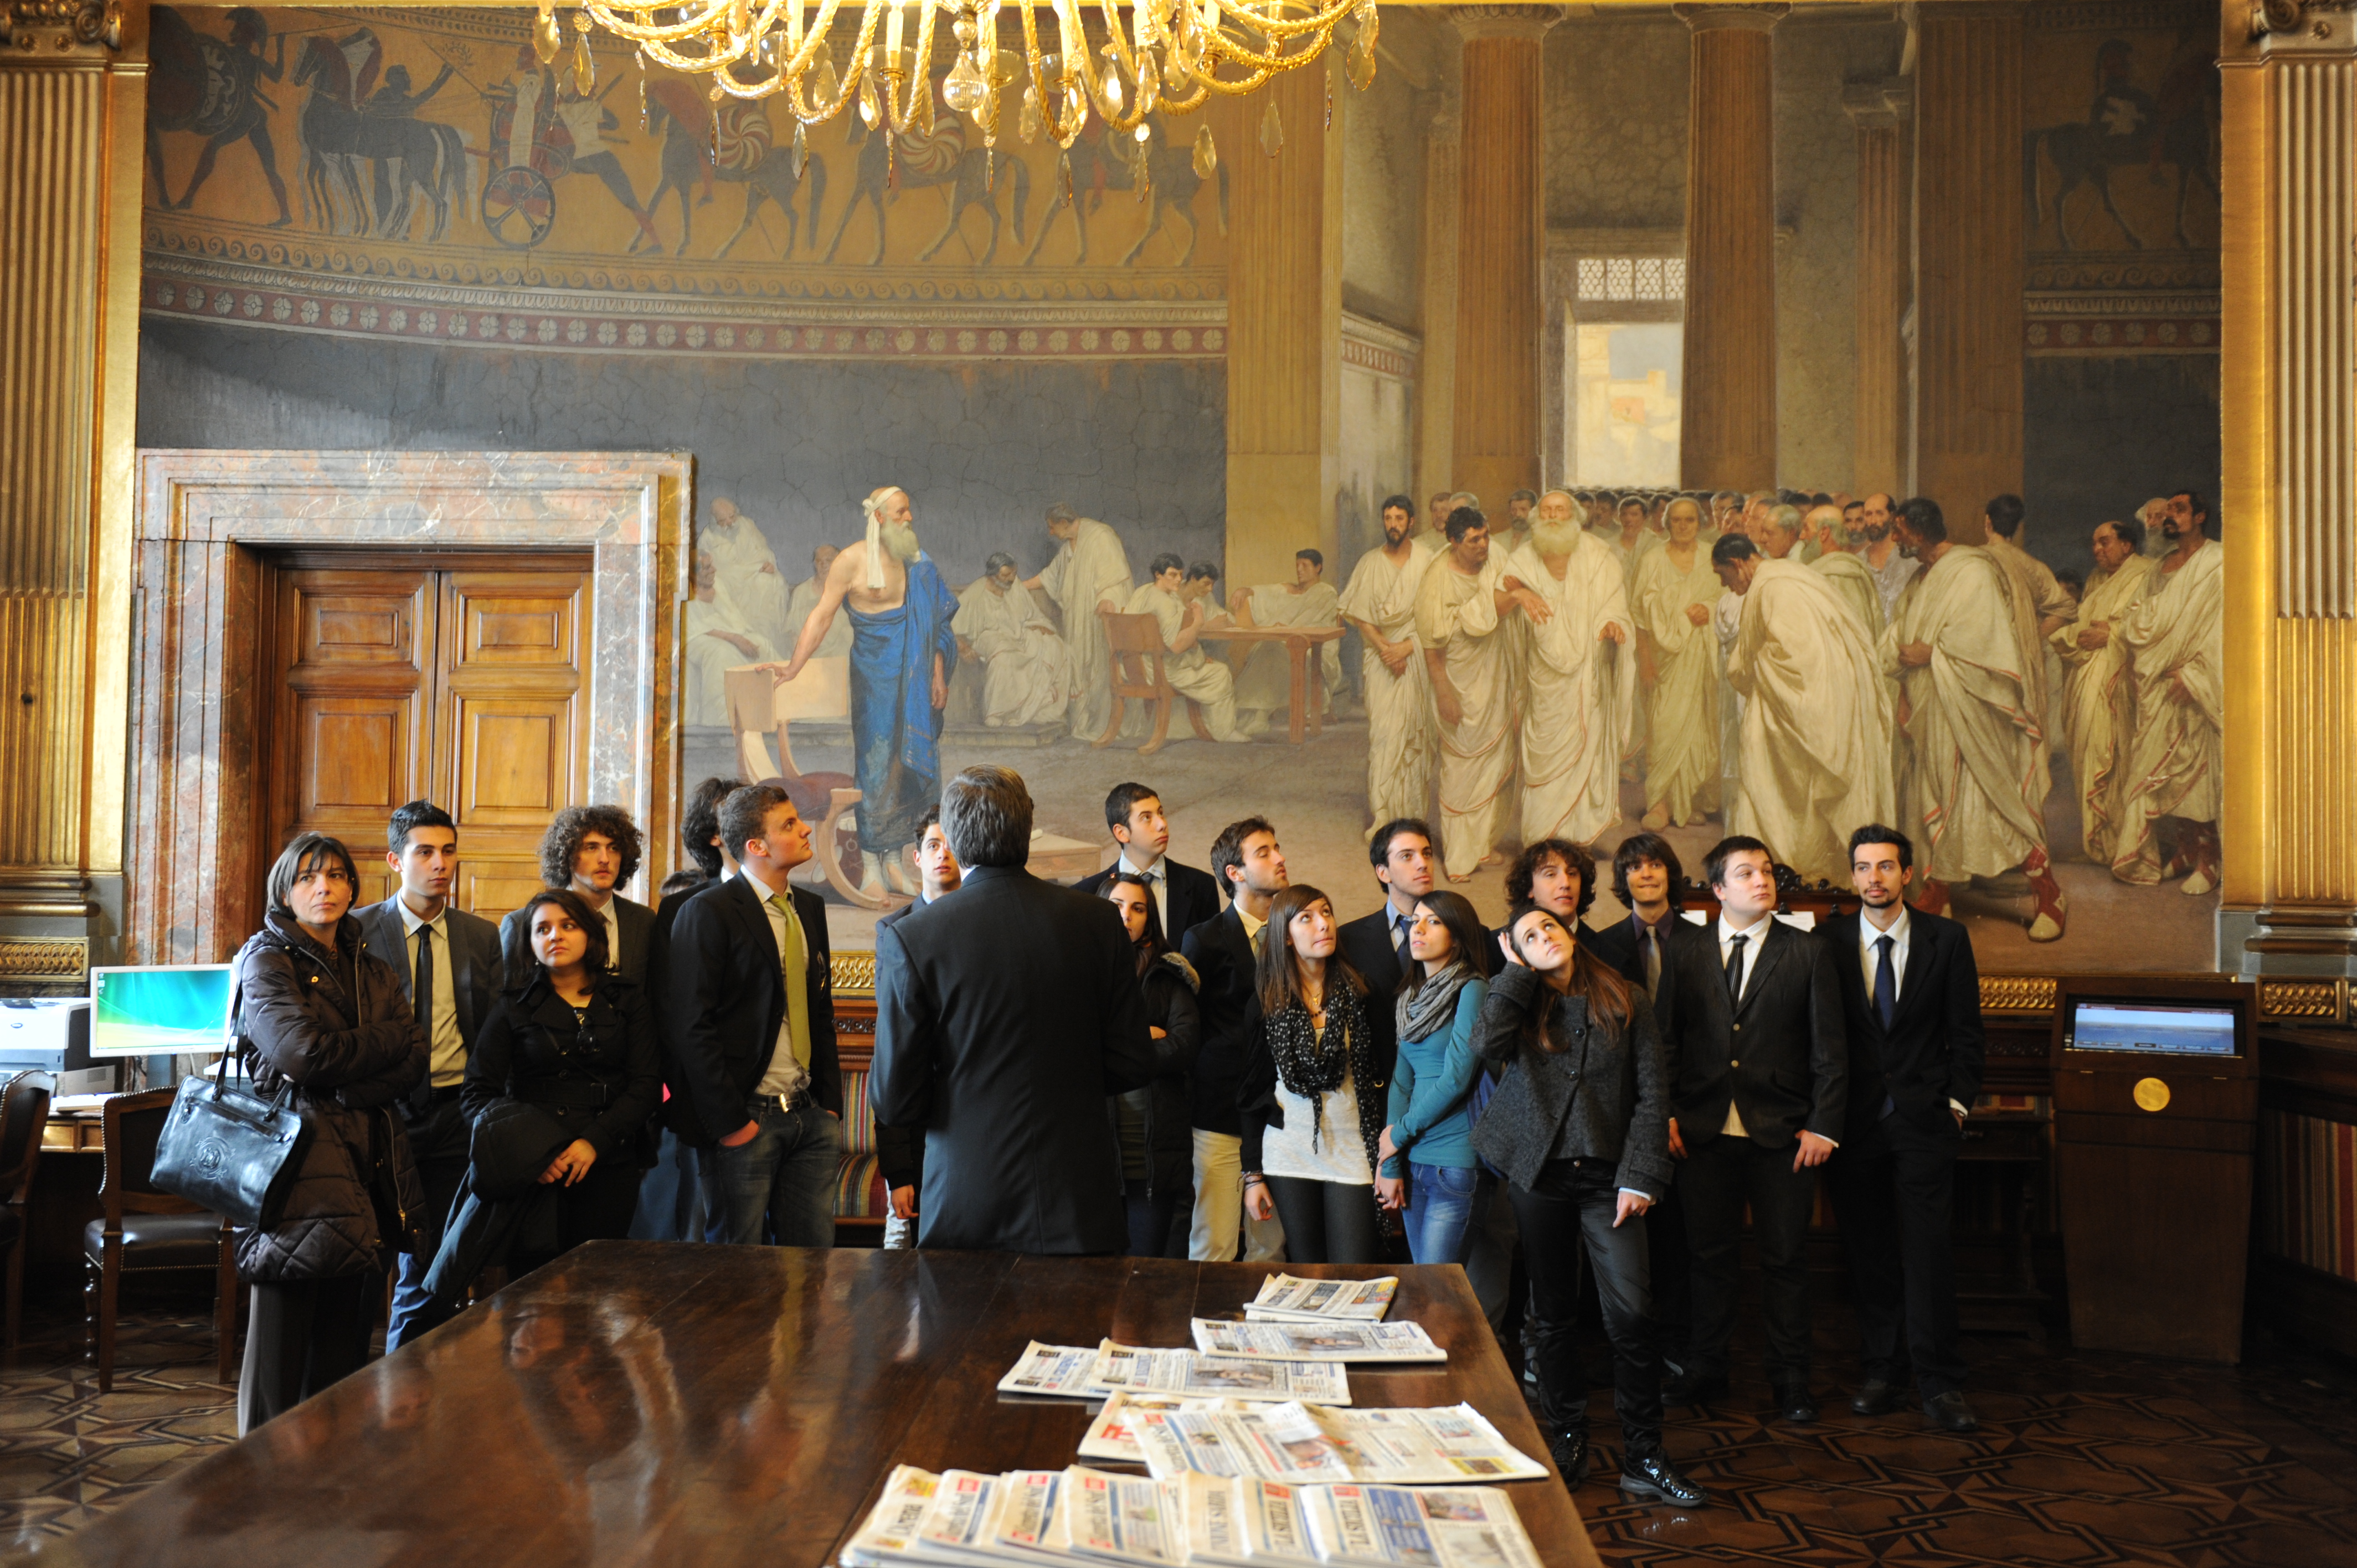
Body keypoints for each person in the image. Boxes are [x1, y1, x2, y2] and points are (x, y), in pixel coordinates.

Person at [1474, 903, 1704, 1508]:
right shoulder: (1519, 1000)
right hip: (1539, 1175)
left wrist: (1640, 1178)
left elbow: (1653, 1094)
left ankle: (1643, 1457)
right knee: (1549, 1316)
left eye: (1548, 926)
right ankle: (1567, 1437)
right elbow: (1486, 1045)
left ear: (1571, 932)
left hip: (1610, 1179)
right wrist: (1516, 973)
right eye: (1528, 934)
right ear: (1515, 950)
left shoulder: (1624, 996)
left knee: (1631, 1315)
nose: (1543, 936)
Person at [873, 765, 1157, 1253]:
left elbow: (896, 1098)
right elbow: (1133, 1060)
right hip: (1079, 1192)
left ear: (957, 841)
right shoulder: (1098, 921)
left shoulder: (915, 937)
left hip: (968, 1194)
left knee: (965, 1330)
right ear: (1028, 829)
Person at [232, 833, 426, 1433]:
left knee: (345, 1355)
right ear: (286, 890)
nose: (326, 888)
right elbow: (300, 1054)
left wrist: (348, 1085)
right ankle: (260, 1484)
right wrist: (378, 1050)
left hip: (369, 1166)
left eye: (338, 876)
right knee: (280, 1354)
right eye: (310, 877)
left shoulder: (371, 966)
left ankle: (329, 1488)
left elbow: (414, 1054)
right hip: (298, 1171)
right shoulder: (266, 959)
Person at [1654, 837, 1846, 1425]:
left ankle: (1790, 1380)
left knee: (1785, 1261)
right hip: (1701, 1131)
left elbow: (1829, 1050)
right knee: (1707, 1258)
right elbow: (1664, 1041)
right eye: (1745, 873)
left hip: (1783, 1135)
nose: (1760, 881)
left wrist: (1823, 1125)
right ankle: (1706, 1370)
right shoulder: (1685, 951)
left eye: (1765, 872)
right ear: (1717, 890)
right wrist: (1662, 1114)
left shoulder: (1806, 953)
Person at [1819, 827, 1984, 1433]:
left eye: (1884, 867)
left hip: (1922, 1122)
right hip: (1853, 1125)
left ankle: (1939, 1384)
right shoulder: (1828, 942)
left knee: (1926, 1254)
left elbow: (1965, 1032)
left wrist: (1958, 1104)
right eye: (1862, 868)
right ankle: (1882, 1373)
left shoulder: (1947, 939)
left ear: (1906, 874)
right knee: (1869, 1257)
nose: (1872, 879)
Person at [436, 888, 662, 1290]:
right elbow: (477, 1093)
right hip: (537, 1171)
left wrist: (595, 1141)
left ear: (590, 934)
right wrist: (531, 1153)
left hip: (609, 1161)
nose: (554, 936)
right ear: (529, 943)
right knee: (536, 1299)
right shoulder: (513, 1004)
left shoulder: (628, 998)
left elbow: (645, 1085)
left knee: (600, 1290)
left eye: (567, 926)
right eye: (542, 929)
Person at [353, 801, 503, 1350]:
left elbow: (491, 1031)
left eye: (448, 851)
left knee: (433, 1258)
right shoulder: (359, 931)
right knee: (367, 1256)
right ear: (396, 860)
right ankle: (344, 1394)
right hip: (382, 1114)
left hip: (455, 1115)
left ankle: (409, 1386)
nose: (440, 864)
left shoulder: (482, 936)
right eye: (425, 852)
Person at [667, 784, 843, 1248]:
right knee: (733, 1281)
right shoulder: (706, 912)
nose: (806, 828)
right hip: (746, 1122)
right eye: (789, 824)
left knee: (811, 1274)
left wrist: (829, 1107)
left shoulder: (809, 907)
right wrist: (732, 1124)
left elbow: (819, 1009)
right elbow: (691, 1026)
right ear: (756, 846)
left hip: (809, 1119)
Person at [1883, 498, 2067, 939]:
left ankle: (2049, 896)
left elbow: (1990, 644)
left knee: (1998, 802)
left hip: (1976, 712)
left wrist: (1933, 656)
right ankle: (1940, 893)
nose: (1895, 538)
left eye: (1900, 530)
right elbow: (1901, 633)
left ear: (1920, 530)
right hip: (1934, 710)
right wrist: (1904, 678)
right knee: (1944, 803)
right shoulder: (1920, 576)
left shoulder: (1971, 569)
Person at [773, 485, 960, 900]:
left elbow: (937, 628)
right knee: (876, 766)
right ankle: (872, 863)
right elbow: (821, 617)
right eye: (900, 512)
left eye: (909, 511)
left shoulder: (919, 563)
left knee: (906, 767)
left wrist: (938, 675)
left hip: (914, 681)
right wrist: (793, 667)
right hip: (873, 678)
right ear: (878, 518)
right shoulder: (850, 562)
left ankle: (895, 860)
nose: (909, 519)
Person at [1715, 532, 1896, 886]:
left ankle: (1786, 868)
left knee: (1774, 776)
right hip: (1832, 700)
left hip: (1811, 705)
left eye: (1725, 576)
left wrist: (1746, 667)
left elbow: (1796, 657)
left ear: (1738, 564)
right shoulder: (1793, 574)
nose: (1727, 586)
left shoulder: (1770, 587)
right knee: (1802, 787)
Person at [1238, 885, 1390, 1265]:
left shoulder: (1362, 992)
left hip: (1354, 1148)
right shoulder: (1265, 1001)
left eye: (1327, 913)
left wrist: (1391, 1159)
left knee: (1354, 1269)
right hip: (1288, 1150)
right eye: (1307, 918)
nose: (1324, 924)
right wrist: (1253, 1175)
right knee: (1310, 1269)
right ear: (1285, 937)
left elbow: (1386, 1077)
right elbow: (1252, 1093)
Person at [636, 775, 743, 1245]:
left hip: (775, 1099)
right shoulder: (680, 909)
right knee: (700, 1235)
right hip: (702, 1099)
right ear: (715, 835)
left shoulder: (795, 905)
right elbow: (671, 1008)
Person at [1181, 817, 1292, 1262]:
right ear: (1235, 873)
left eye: (1277, 847)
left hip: (1285, 1115)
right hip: (1220, 1114)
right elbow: (1191, 1031)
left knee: (1272, 1245)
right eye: (1264, 852)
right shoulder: (1204, 939)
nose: (1280, 858)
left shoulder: (1296, 931)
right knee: (1216, 1241)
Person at [1502, 491, 1635, 852]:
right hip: (1542, 681)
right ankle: (1541, 838)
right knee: (1541, 757)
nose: (1554, 517)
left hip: (1587, 675)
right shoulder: (1522, 559)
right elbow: (1500, 605)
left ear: (1575, 516)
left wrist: (1612, 624)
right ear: (1536, 518)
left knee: (1586, 749)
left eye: (1561, 510)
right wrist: (1518, 597)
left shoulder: (1598, 556)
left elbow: (1614, 603)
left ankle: (1577, 837)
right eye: (1547, 511)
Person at [2112, 488, 2223, 893]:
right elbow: (2134, 619)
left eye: (2180, 509)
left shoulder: (2218, 563)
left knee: (2195, 771)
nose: (2171, 517)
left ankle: (2210, 860)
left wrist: (2195, 676)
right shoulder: (2159, 567)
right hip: (2156, 683)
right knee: (2162, 775)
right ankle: (2185, 849)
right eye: (2168, 511)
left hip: (2194, 683)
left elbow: (2224, 630)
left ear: (2200, 516)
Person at [1376, 890, 1492, 1267]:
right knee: (1425, 1287)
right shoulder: (1409, 998)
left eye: (1434, 921)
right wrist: (1391, 1163)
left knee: (1438, 1288)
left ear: (1457, 937)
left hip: (1455, 1163)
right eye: (1416, 920)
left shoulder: (1473, 989)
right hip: (1414, 1163)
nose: (1418, 929)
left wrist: (1399, 1132)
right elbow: (1401, 1083)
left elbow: (1459, 1077)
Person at [873, 804, 961, 1249]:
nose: (942, 854)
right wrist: (899, 1172)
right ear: (917, 858)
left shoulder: (978, 924)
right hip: (919, 1118)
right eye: (932, 845)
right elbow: (892, 1050)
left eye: (950, 845)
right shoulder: (894, 931)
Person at [1102, 872, 1202, 1257]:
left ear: (1150, 919)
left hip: (1155, 1151)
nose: (1126, 915)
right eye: (1117, 905)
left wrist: (1115, 1049)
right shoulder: (1078, 969)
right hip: (1097, 1150)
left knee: (1144, 1269)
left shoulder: (1169, 973)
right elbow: (1074, 1047)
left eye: (1137, 908)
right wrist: (1144, 1037)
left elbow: (1184, 1046)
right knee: (1099, 1278)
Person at [1417, 507, 1521, 882]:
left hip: (1495, 675)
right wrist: (1444, 693)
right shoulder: (1437, 579)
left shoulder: (1497, 561)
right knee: (1461, 767)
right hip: (1457, 679)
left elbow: (1513, 592)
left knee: (1495, 761)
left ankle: (1481, 845)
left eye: (1487, 536)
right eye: (1474, 540)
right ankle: (1458, 857)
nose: (1483, 545)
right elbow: (1432, 647)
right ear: (1454, 542)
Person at [2051, 518, 2156, 865]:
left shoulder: (2146, 574)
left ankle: (2122, 844)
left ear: (2128, 545)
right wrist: (2080, 636)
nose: (2097, 549)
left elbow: (2151, 627)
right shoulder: (2098, 580)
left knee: (2110, 756)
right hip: (2088, 678)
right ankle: (2099, 840)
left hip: (2119, 681)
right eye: (2095, 543)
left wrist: (2110, 634)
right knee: (2086, 752)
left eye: (2105, 542)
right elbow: (2082, 624)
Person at [1338, 495, 1440, 835]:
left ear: (1412, 522)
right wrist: (1387, 650)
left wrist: (1407, 647)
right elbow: (1359, 615)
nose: (1393, 524)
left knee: (1415, 735)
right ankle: (1382, 814)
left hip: (1418, 654)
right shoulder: (1370, 562)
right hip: (1381, 656)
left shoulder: (1429, 561)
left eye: (1399, 518)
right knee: (1384, 735)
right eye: (1388, 518)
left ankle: (1412, 814)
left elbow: (1438, 615)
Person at [1630, 496, 1722, 831]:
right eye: (1677, 521)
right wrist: (1645, 660)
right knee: (1664, 727)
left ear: (1700, 524)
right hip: (1663, 658)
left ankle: (1689, 800)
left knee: (1700, 728)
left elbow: (1727, 600)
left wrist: (1708, 608)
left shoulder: (1712, 558)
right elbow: (1639, 615)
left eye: (1690, 521)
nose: (1683, 527)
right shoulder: (1652, 559)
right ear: (1667, 524)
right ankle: (1660, 803)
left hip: (1702, 658)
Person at [1982, 494, 2076, 804]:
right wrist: (2031, 638)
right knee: (2020, 748)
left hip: (1987, 668)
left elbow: (2066, 607)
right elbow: (2065, 607)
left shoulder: (1975, 561)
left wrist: (2028, 637)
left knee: (1991, 751)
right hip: (2021, 666)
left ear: (1987, 523)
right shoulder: (2032, 566)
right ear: (2018, 528)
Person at [1337, 819, 1443, 1078]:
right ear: (1383, 872)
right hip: (1377, 1085)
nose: (1423, 863)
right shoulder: (1348, 939)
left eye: (1426, 853)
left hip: (1445, 1081)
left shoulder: (1462, 931)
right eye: (1407, 856)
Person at [500, 806, 653, 984]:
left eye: (613, 848)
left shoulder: (643, 921)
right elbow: (509, 998)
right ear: (567, 855)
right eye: (591, 848)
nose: (605, 859)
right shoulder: (520, 923)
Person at [1028, 502, 1135, 741]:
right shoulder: (1068, 548)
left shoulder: (1101, 536)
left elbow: (1114, 578)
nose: (1050, 533)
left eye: (1052, 527)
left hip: (1099, 619)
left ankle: (1106, 725)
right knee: (1078, 668)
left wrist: (1107, 601)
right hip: (1077, 621)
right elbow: (1048, 577)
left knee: (1100, 669)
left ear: (1064, 524)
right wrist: (1018, 587)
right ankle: (1083, 724)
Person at [1123, 556, 1255, 742]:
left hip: (1136, 665)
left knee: (1209, 663)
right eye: (1172, 575)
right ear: (1158, 575)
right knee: (1221, 672)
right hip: (1161, 670)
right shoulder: (1166, 603)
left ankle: (1202, 726)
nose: (1178, 579)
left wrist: (1196, 650)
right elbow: (1176, 646)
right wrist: (1199, 622)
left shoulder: (1143, 592)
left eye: (1179, 574)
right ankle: (1223, 731)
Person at [1075, 782, 1223, 947]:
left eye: (1161, 813)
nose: (1162, 824)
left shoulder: (1201, 887)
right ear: (1122, 833)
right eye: (1147, 818)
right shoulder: (1085, 895)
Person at [953, 551, 1077, 729]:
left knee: (1053, 646)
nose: (1011, 579)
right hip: (987, 637)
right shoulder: (976, 593)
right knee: (1004, 655)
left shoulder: (1015, 586)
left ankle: (1036, 708)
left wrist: (1040, 626)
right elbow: (951, 625)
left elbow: (1032, 615)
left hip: (1017, 634)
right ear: (993, 575)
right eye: (1006, 575)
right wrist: (963, 648)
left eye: (1014, 574)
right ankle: (998, 712)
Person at [1232, 549, 1347, 725]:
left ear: (1318, 568)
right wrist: (1244, 590)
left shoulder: (1325, 593)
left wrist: (1286, 630)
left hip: (1316, 650)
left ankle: (1256, 710)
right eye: (1297, 565)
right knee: (1270, 648)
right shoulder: (1288, 589)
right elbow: (1261, 592)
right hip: (1285, 642)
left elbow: (1311, 623)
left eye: (1305, 565)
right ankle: (1253, 709)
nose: (1299, 570)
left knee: (1275, 648)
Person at [683, 549, 780, 726]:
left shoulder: (717, 583)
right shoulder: (682, 592)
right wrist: (735, 639)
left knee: (762, 644)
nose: (713, 570)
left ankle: (772, 708)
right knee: (722, 653)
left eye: (711, 565)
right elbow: (692, 627)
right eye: (706, 568)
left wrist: (760, 567)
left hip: (729, 630)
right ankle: (720, 718)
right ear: (691, 573)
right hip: (694, 637)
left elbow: (738, 573)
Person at [1587, 832, 1685, 997]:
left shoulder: (1700, 940)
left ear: (1669, 874)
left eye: (1656, 865)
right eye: (1635, 867)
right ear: (1624, 879)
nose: (1646, 874)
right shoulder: (1602, 946)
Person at [702, 497, 796, 657]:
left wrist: (769, 564)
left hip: (756, 574)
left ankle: (769, 642)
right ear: (714, 521)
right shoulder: (707, 538)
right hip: (729, 583)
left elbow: (764, 551)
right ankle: (746, 640)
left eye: (732, 517)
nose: (731, 523)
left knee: (771, 582)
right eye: (723, 521)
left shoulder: (747, 525)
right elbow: (705, 570)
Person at [1856, 492, 1920, 624]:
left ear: (1892, 517)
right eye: (1869, 514)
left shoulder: (1910, 558)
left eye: (1880, 513)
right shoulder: (1858, 561)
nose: (1873, 521)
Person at [785, 544, 854, 659]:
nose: (824, 565)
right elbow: (793, 633)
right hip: (810, 657)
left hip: (842, 655)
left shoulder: (850, 590)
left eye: (829, 560)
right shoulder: (802, 592)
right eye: (819, 561)